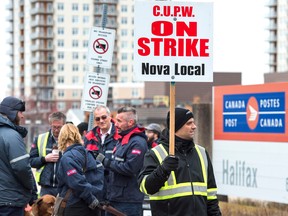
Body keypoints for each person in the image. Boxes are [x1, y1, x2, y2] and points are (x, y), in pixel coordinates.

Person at [138, 107, 222, 216]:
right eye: (189, 123)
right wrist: (163, 170)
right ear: (176, 126)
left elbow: (211, 195)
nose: (194, 126)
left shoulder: (201, 152)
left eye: (194, 122)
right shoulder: (155, 153)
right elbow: (145, 187)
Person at [96, 106, 148, 216]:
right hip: (115, 198)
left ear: (130, 122)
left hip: (129, 201)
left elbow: (130, 168)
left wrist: (106, 162)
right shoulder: (123, 140)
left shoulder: (137, 143)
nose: (115, 124)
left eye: (119, 121)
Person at [57, 123, 104, 216]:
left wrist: (90, 199)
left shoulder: (67, 157)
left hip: (75, 205)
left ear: (61, 138)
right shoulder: (88, 153)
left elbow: (76, 182)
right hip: (92, 205)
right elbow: (98, 176)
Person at [0, 96, 37, 215]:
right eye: (20, 112)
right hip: (10, 202)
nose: (22, 116)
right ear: (11, 112)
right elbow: (22, 167)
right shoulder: (11, 136)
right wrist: (31, 188)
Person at [84, 105, 120, 207]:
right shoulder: (89, 137)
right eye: (97, 118)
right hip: (96, 190)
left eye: (104, 117)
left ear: (110, 116)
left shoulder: (119, 134)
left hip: (116, 190)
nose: (101, 121)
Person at [29, 111, 67, 197]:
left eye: (59, 127)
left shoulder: (69, 141)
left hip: (63, 187)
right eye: (54, 127)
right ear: (50, 125)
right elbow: (31, 161)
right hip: (46, 187)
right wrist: (44, 159)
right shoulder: (40, 139)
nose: (56, 130)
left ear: (64, 125)